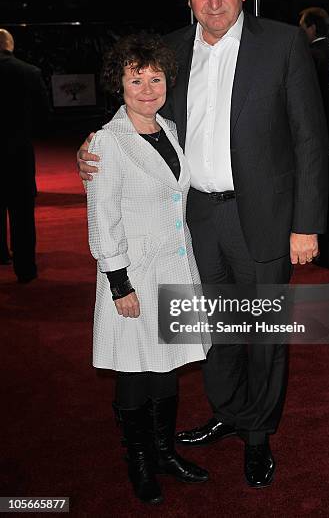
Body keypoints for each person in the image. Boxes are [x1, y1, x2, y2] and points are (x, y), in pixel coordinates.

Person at [79, 0, 328, 489]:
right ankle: (229, 411)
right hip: (193, 225)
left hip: (261, 219)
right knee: (215, 330)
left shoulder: (283, 44)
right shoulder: (170, 51)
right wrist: (93, 144)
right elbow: (140, 112)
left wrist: (306, 223)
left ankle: (258, 435)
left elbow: (311, 140)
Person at [86, 32, 210, 505]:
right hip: (134, 275)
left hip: (176, 267)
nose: (146, 88)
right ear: (117, 84)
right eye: (135, 79)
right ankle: (138, 458)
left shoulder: (172, 131)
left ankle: (164, 452)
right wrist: (119, 283)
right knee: (135, 371)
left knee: (169, 365)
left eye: (155, 78)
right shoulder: (107, 142)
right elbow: (102, 216)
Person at [0, 28, 49, 282]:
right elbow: (43, 116)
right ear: (11, 45)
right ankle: (25, 268)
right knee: (21, 213)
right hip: (18, 152)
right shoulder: (29, 73)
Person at [299, 7, 329, 269]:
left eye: (303, 26)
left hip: (321, 137)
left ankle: (328, 254)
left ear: (312, 28)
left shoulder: (312, 56)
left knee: (322, 197)